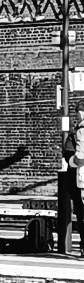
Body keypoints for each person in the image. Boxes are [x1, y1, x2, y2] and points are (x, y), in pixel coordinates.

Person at [59, 105, 84, 255]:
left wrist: (70, 162)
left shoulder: (81, 130)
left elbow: (80, 157)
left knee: (82, 213)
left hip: (80, 177)